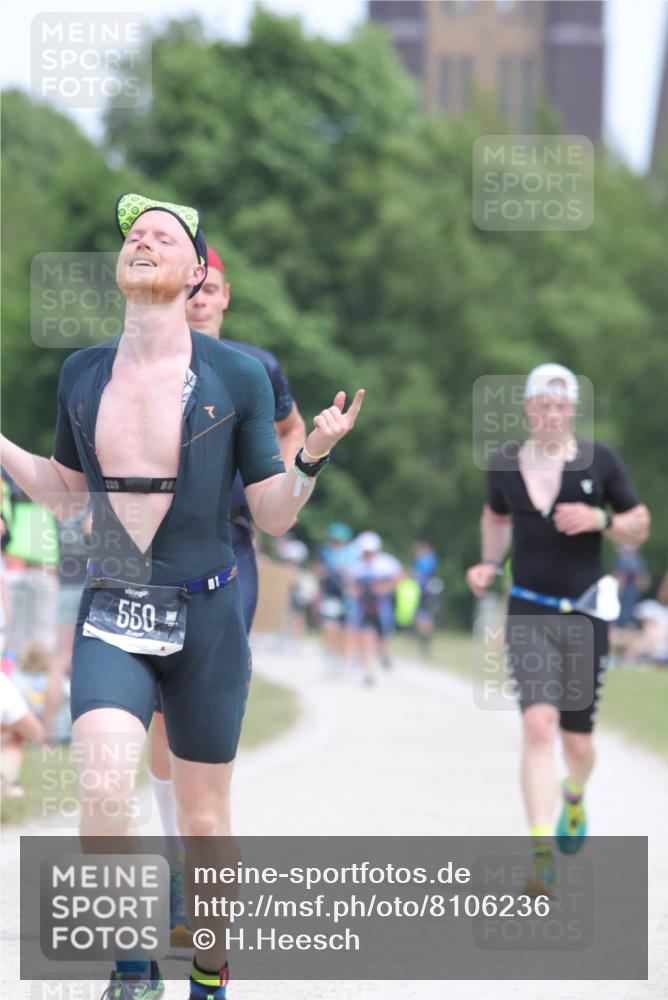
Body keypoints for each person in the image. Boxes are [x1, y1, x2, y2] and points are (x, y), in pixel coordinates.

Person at [0, 192, 365, 1000]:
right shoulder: (81, 371)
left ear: (197, 271)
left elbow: (268, 514)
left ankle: (208, 968)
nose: (144, 241)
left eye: (164, 235)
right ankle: (133, 970)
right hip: (114, 606)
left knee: (202, 824)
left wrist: (308, 462)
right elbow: (67, 494)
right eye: (133, 234)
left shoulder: (236, 374)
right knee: (101, 791)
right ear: (120, 268)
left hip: (208, 615)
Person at [146, 246, 306, 948]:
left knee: (200, 711)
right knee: (154, 712)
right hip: (154, 557)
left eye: (212, 288)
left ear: (226, 295)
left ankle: (200, 853)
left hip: (230, 554)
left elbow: (291, 428)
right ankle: (178, 864)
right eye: (192, 288)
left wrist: (270, 480)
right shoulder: (146, 363)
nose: (201, 297)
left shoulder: (255, 367)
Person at [466, 363, 649, 896]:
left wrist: (602, 521)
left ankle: (575, 794)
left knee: (578, 743)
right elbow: (495, 519)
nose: (551, 412)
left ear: (572, 408)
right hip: (528, 609)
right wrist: (487, 564)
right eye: (542, 404)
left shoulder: (601, 461)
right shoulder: (503, 465)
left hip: (587, 614)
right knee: (538, 726)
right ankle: (541, 852)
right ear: (527, 409)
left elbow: (640, 521)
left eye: (561, 404)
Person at [347, 531, 402, 685]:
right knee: (366, 638)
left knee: (383, 638)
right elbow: (351, 585)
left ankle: (384, 655)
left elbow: (397, 580)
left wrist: (384, 588)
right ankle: (368, 672)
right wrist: (355, 591)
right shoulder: (357, 566)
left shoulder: (387, 564)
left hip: (382, 607)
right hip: (364, 609)